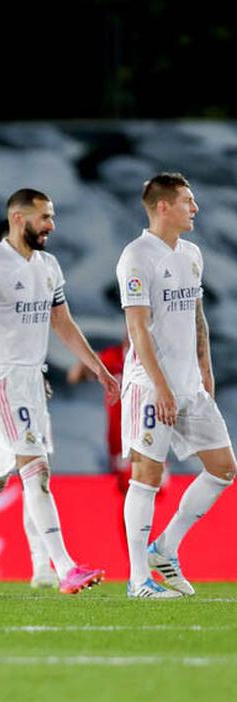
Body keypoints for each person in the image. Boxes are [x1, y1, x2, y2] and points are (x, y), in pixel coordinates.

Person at [0, 188, 116, 594]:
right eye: (44, 217)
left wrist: (96, 367)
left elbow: (62, 322)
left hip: (31, 379)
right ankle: (64, 566)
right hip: (2, 380)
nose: (51, 225)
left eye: (52, 217)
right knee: (37, 470)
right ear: (18, 217)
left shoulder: (48, 266)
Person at [117, 172, 235, 599]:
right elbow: (138, 328)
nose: (195, 208)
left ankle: (164, 548)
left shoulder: (191, 254)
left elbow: (197, 315)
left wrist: (206, 366)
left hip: (190, 385)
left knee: (223, 468)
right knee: (146, 474)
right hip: (151, 387)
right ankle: (137, 579)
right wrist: (161, 386)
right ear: (163, 206)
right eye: (188, 200)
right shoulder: (136, 256)